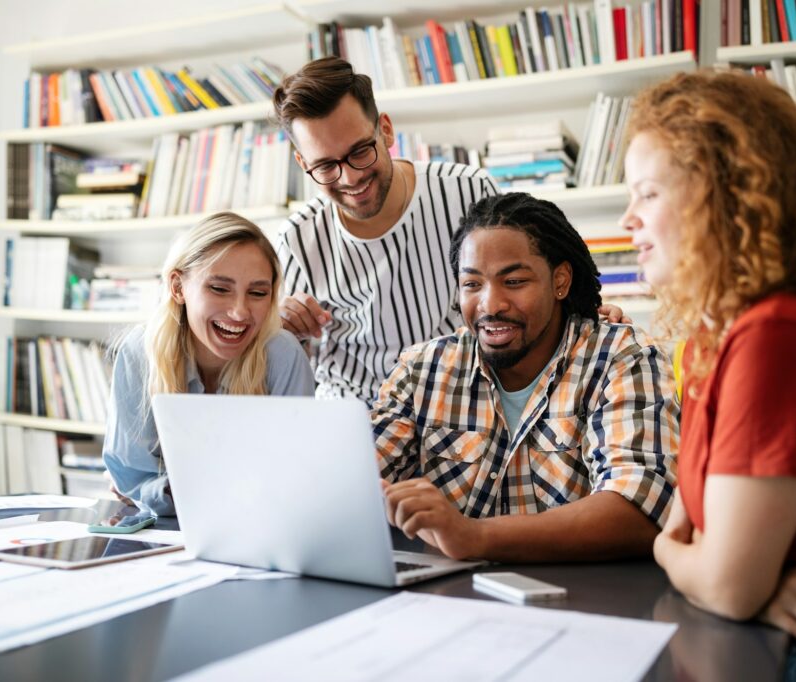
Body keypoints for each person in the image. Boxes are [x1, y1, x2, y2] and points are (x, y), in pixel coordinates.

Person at [620, 71, 796, 667]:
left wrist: (716, 573)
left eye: (647, 193)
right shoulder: (707, 344)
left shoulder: (780, 336)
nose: (627, 220)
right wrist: (743, 583)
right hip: (779, 642)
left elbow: (720, 579)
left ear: (721, 194)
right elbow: (698, 549)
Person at [272, 57, 626, 403]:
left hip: (463, 410)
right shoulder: (296, 242)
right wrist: (283, 328)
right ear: (303, 163)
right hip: (359, 419)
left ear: (385, 129)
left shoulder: (467, 191)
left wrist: (583, 316)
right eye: (325, 166)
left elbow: (524, 287)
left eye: (360, 152)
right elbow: (294, 364)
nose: (350, 178)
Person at [374, 192, 679, 563]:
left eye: (514, 281)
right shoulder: (422, 368)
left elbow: (638, 509)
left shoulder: (620, 357)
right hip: (449, 599)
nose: (491, 304)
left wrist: (473, 535)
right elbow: (355, 478)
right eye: (472, 284)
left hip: (585, 599)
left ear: (560, 281)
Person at [103, 212, 315, 515]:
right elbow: (129, 475)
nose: (240, 312)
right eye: (219, 289)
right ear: (178, 287)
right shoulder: (139, 352)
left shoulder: (283, 355)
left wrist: (175, 488)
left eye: (257, 293)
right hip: (166, 529)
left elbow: (293, 478)